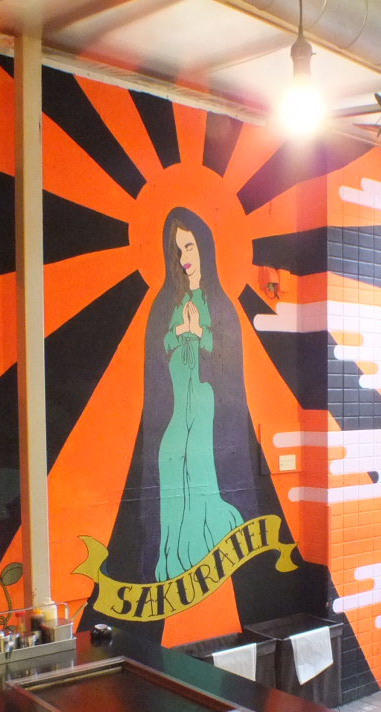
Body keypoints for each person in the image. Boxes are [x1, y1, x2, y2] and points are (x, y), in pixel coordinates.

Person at [145, 209, 249, 580]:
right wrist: (179, 332)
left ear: (204, 246)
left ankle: (205, 549)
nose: (184, 257)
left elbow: (226, 358)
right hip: (175, 405)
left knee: (199, 466)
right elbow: (156, 351)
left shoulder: (218, 304)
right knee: (170, 460)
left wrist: (199, 333)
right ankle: (175, 559)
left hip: (205, 403)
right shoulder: (167, 303)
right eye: (177, 250)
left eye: (189, 246)